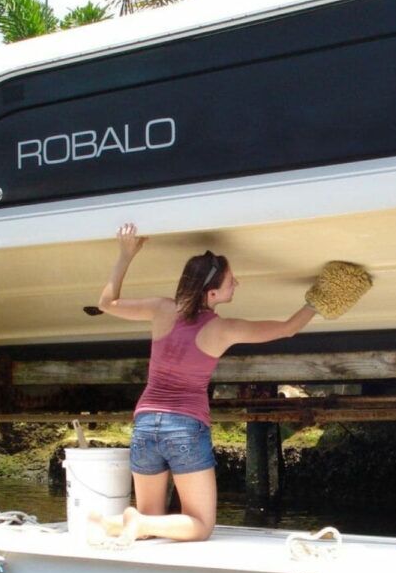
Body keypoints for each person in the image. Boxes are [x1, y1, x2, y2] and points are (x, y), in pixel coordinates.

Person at [89, 223, 317, 547]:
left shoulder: (161, 309)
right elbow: (288, 329)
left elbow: (107, 303)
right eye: (229, 282)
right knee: (200, 525)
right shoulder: (224, 329)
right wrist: (319, 300)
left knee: (153, 522)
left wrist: (126, 254)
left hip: (144, 424)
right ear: (211, 294)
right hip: (184, 426)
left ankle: (115, 522)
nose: (236, 283)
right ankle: (133, 521)